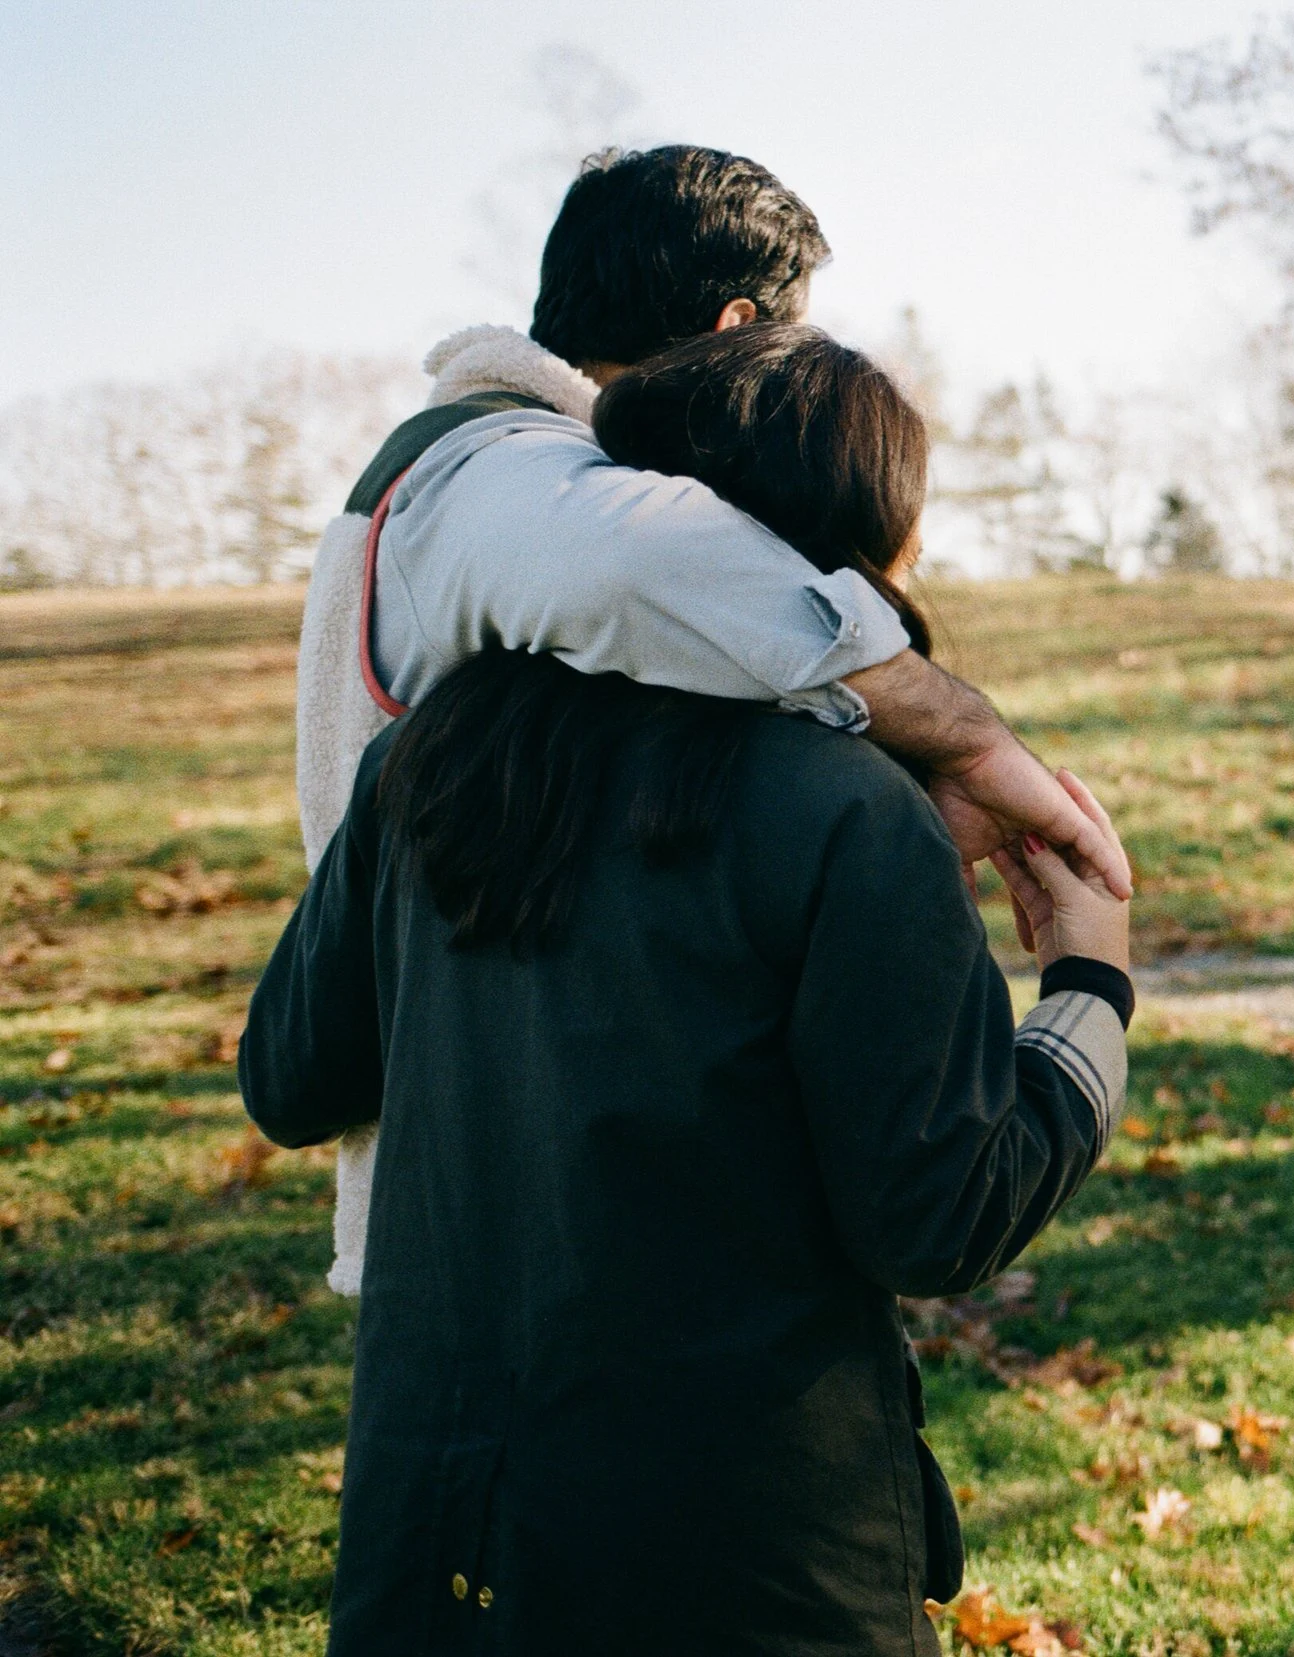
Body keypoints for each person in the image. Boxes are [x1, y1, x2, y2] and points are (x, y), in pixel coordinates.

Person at [240, 324, 1129, 1654]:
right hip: (750, 1575)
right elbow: (939, 1214)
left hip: (440, 1555)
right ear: (847, 553)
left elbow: (290, 1075)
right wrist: (1088, 985)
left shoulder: (424, 762)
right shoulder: (851, 812)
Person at [300, 145, 1127, 1296]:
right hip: (518, 1195)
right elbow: (644, 563)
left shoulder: (494, 514)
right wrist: (968, 739)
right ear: (740, 327)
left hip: (479, 1221)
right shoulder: (494, 467)